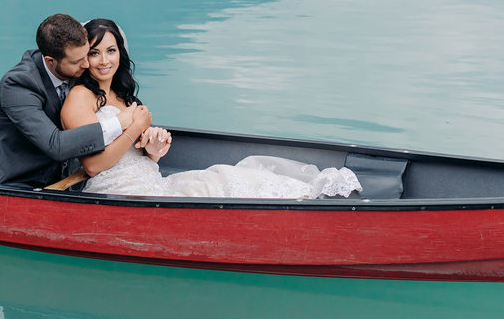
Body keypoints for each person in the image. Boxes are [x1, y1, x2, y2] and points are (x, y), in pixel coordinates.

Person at [61, 19, 362, 199]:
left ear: (121, 54)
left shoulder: (123, 94)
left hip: (154, 180)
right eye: (94, 53)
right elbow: (92, 166)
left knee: (225, 177)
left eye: (111, 51)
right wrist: (135, 129)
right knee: (215, 185)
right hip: (119, 193)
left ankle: (313, 202)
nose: (104, 61)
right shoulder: (81, 97)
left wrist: (153, 146)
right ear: (84, 57)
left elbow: (140, 152)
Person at [0, 14, 152, 187]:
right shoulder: (18, 85)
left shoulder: (73, 65)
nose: (87, 65)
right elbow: (56, 145)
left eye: (87, 55)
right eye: (78, 61)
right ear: (50, 61)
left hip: (60, 180)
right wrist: (120, 122)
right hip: (9, 181)